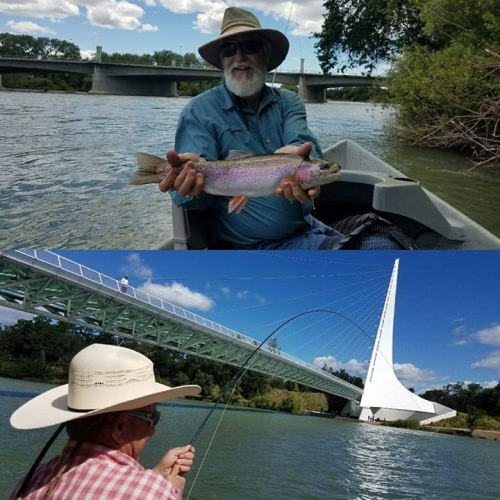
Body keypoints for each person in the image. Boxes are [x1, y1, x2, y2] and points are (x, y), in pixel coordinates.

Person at [159, 7, 352, 250]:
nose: (239, 56)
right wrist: (189, 187)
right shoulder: (198, 111)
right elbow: (192, 202)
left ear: (266, 53)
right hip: (246, 250)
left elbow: (303, 144)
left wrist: (305, 165)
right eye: (229, 49)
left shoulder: (289, 102)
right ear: (221, 60)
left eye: (250, 46)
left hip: (308, 231)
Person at [9, 343, 201, 499]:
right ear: (120, 426)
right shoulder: (153, 493)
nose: (153, 431)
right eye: (152, 418)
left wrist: (155, 476)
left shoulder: (31, 481)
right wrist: (170, 492)